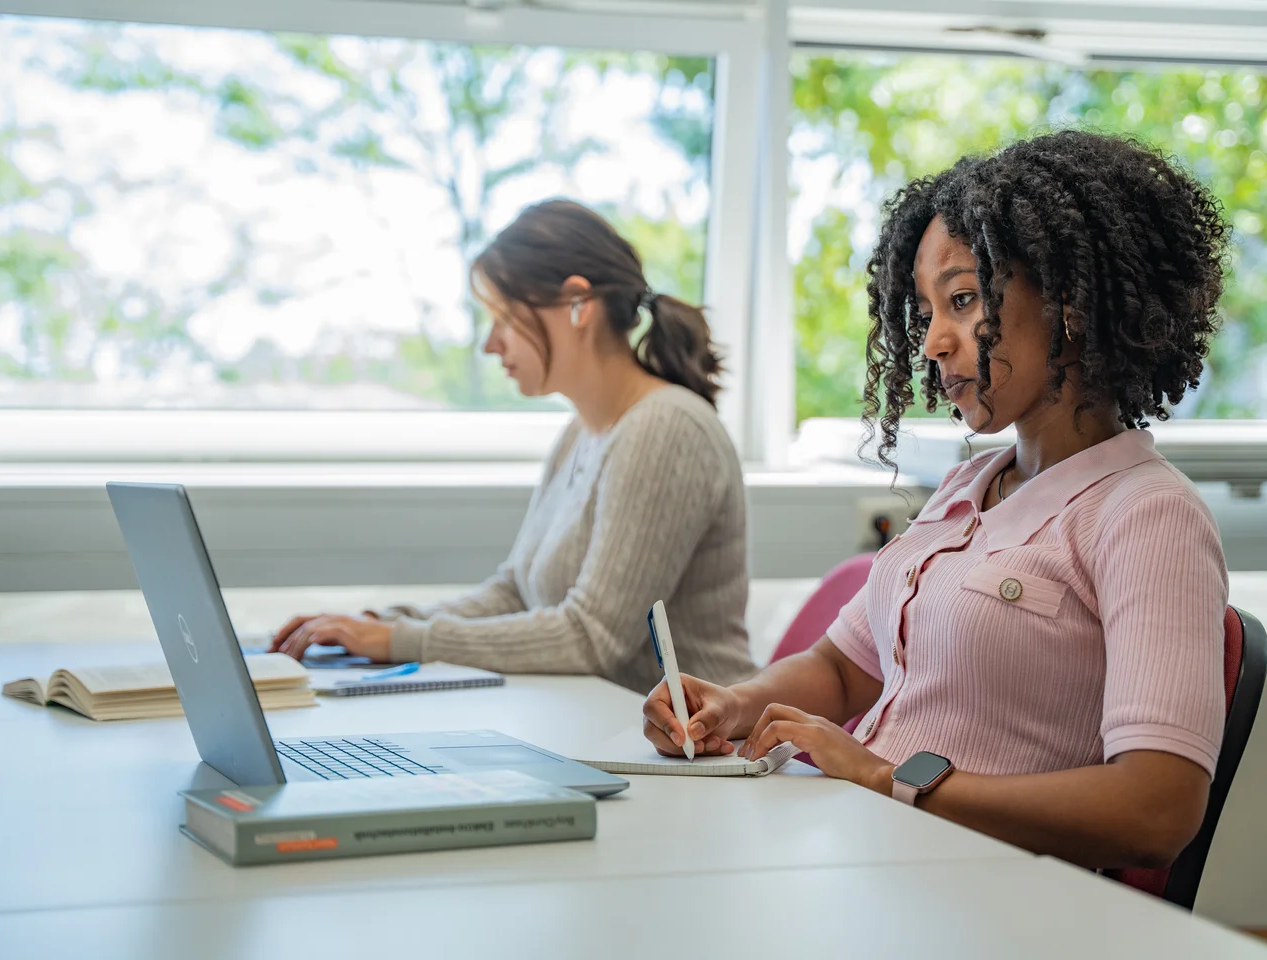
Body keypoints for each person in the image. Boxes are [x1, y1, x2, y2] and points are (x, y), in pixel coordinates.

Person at [644, 130, 1231, 871]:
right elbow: (840, 668)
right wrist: (736, 704)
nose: (931, 343)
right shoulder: (966, 488)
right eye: (926, 311)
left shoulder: (1147, 517)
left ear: (1073, 304)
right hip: (870, 859)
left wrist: (890, 780)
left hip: (980, 899)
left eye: (962, 299)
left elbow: (1156, 808)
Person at [270, 199, 755, 695]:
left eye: (503, 317)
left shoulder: (666, 429)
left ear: (576, 304)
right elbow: (515, 591)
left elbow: (592, 638)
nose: (490, 345)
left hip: (702, 753)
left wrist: (401, 639)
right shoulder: (581, 434)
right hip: (608, 728)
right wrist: (375, 624)